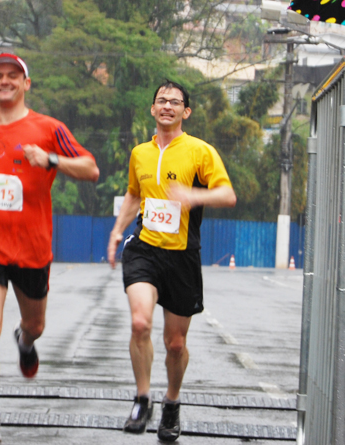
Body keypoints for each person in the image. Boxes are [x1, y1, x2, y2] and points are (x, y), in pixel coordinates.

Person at [0, 53, 99, 443]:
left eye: (13, 76)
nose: (5, 81)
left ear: (26, 84)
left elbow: (90, 168)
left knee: (35, 324)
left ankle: (26, 340)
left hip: (32, 247)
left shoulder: (49, 128)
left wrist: (51, 159)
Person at [107, 79, 237, 442]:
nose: (167, 106)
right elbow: (134, 194)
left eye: (175, 102)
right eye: (161, 100)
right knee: (139, 323)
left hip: (182, 256)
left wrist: (193, 196)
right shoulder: (139, 153)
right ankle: (142, 399)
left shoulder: (200, 151)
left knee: (175, 344)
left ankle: (172, 402)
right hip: (144, 249)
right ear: (152, 109)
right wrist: (117, 231)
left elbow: (227, 195)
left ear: (186, 111)